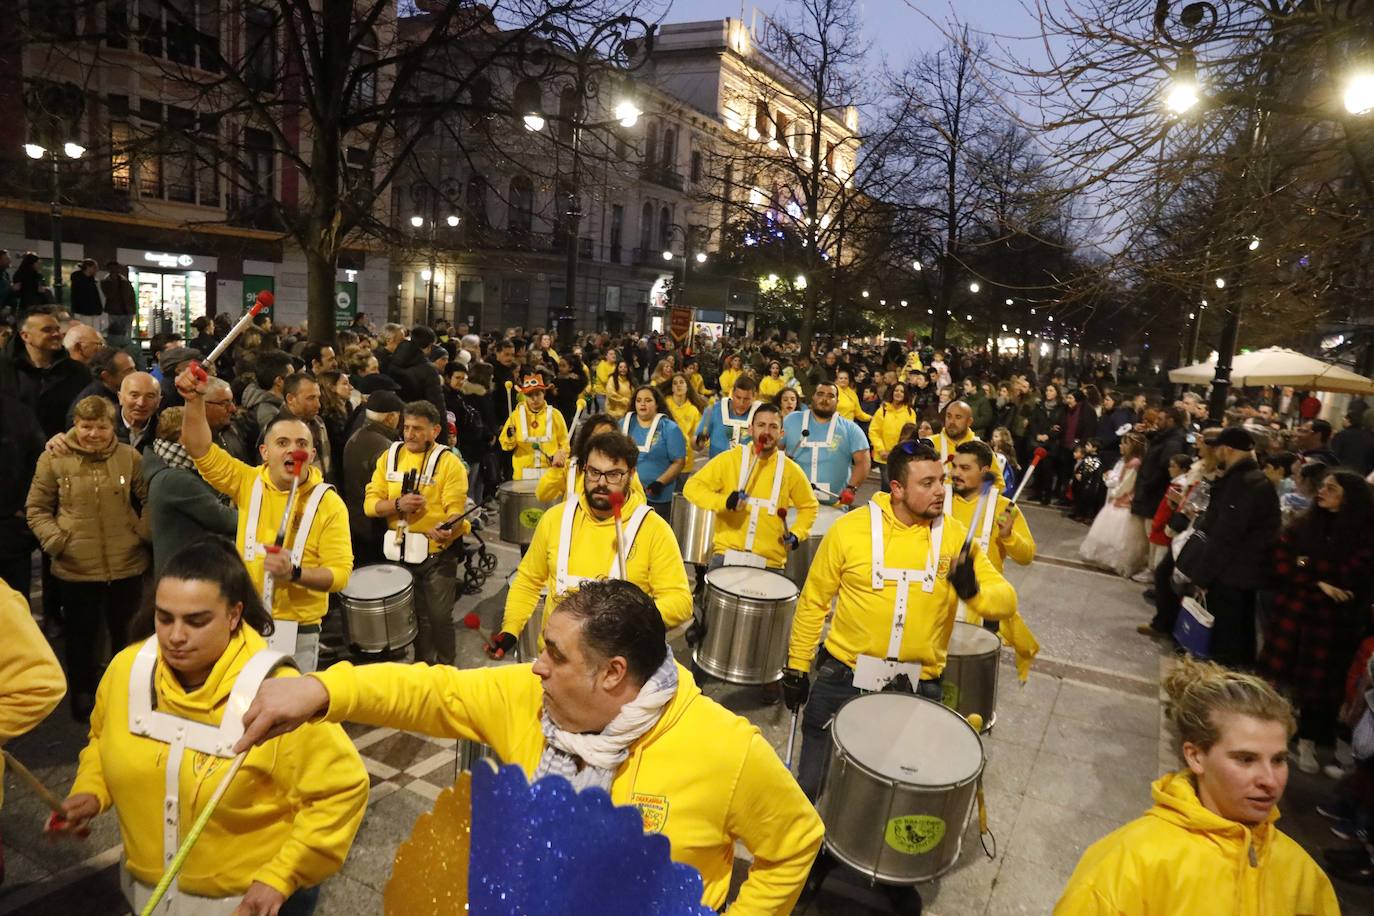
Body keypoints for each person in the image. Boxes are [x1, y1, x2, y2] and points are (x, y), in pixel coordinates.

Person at [234, 579, 825, 913]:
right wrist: (319, 689)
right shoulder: (526, 698)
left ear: (613, 674)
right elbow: (429, 691)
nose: (535, 666)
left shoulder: (725, 748)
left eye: (555, 654)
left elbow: (796, 842)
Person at [54, 539, 368, 916]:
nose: (175, 636)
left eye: (196, 621)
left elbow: (341, 787)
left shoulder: (277, 693)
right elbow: (104, 740)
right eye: (164, 617)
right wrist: (91, 791)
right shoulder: (125, 671)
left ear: (234, 615)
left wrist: (282, 876)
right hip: (147, 896)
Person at [785, 440, 1018, 800]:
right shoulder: (850, 530)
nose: (941, 490)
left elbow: (1006, 600)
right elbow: (814, 601)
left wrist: (974, 592)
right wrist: (797, 666)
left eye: (942, 480)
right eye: (927, 483)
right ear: (896, 489)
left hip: (918, 687)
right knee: (813, 786)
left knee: (884, 798)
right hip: (843, 678)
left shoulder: (954, 536)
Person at [1053, 657, 1339, 915]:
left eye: (1278, 760)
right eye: (1245, 759)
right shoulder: (1128, 863)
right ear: (1196, 755)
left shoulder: (1303, 875)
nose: (1269, 780)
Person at [176, 366, 353, 674]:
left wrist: (295, 573)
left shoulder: (329, 503)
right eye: (282, 443)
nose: (292, 450)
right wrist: (195, 401)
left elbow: (339, 575)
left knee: (289, 715)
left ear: (311, 455)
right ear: (264, 452)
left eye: (301, 445)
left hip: (299, 631)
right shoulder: (247, 482)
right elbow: (199, 449)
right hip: (243, 620)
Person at [491, 432, 691, 657]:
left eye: (614, 474)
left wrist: (632, 618)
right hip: (555, 661)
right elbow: (528, 579)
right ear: (584, 469)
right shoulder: (555, 519)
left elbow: (680, 601)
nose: (602, 483)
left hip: (615, 668)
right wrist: (511, 628)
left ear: (631, 474)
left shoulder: (653, 528)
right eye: (595, 472)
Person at [26, 395, 149, 719]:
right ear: (75, 425)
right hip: (75, 567)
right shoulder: (53, 459)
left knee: (127, 636)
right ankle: (83, 698)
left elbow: (149, 498)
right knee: (80, 639)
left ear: (112, 426)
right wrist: (58, 542)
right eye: (86, 426)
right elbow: (37, 508)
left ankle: (127, 698)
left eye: (101, 427)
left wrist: (140, 532)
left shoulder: (129, 457)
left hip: (126, 565)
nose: (93, 434)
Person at [1258, 469, 1374, 774]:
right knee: (1280, 682)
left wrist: (1307, 567)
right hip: (1293, 616)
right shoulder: (1303, 524)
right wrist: (1318, 582)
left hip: (1331, 625)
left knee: (1320, 687)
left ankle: (1310, 740)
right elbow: (1281, 562)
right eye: (1323, 487)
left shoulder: (1362, 535)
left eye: (1332, 489)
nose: (1322, 492)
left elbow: (1353, 573)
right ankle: (1275, 738)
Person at [364, 400, 469, 666]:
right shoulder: (390, 456)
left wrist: (448, 527)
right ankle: (423, 668)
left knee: (438, 616)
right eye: (406, 427)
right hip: (398, 553)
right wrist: (397, 504)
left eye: (418, 429)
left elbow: (456, 509)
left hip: (436, 556)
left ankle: (446, 669)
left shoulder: (449, 463)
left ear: (435, 431)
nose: (409, 434)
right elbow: (369, 504)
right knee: (416, 616)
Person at [684, 403, 818, 576]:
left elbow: (809, 507)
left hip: (771, 563)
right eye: (761, 425)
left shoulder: (791, 470)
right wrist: (724, 501)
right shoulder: (729, 459)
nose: (766, 432)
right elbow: (692, 487)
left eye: (773, 427)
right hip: (726, 557)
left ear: (781, 433)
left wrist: (797, 533)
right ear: (750, 429)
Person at [946, 440, 1040, 671]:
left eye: (965, 468)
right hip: (941, 602)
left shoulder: (1004, 507)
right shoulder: (939, 500)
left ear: (984, 471)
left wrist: (1009, 537)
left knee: (973, 679)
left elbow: (1026, 556)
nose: (956, 473)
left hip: (982, 607)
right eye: (955, 466)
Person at [143, 407, 238, 575]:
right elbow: (223, 519)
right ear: (183, 435)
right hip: (185, 576)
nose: (208, 437)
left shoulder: (172, 467)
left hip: (188, 571)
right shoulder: (175, 479)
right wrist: (260, 518)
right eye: (201, 430)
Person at [0, 308, 92, 438]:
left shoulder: (77, 371)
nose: (56, 334)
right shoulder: (5, 370)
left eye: (57, 329)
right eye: (47, 330)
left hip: (63, 448)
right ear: (25, 336)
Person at [782, 381, 870, 507]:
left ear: (837, 401)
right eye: (820, 394)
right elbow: (774, 452)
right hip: (792, 503)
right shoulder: (791, 420)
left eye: (830, 396)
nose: (825, 399)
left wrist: (851, 488)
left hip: (835, 505)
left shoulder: (850, 428)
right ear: (813, 397)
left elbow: (863, 462)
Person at [342, 390, 403, 566]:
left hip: (356, 521)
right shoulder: (385, 447)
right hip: (375, 526)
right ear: (390, 417)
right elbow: (392, 491)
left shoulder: (357, 436)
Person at [1079, 432, 1149, 578]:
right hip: (1121, 499)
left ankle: (1117, 562)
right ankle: (1109, 559)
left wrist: (1115, 493)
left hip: (1125, 501)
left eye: (1124, 443)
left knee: (1121, 536)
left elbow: (1126, 484)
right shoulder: (1128, 461)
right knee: (1111, 534)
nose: (1121, 446)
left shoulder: (1135, 463)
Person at [620, 385, 686, 518]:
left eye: (648, 400)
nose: (642, 404)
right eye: (638, 400)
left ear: (657, 404)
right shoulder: (623, 424)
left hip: (657, 499)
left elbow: (679, 461)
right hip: (627, 496)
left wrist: (659, 483)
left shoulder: (669, 428)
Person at [499, 370, 570, 482]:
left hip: (550, 474)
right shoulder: (515, 415)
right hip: (522, 475)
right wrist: (509, 436)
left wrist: (560, 456)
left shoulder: (555, 415)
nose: (534, 399)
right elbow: (506, 446)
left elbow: (565, 443)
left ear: (544, 394)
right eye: (529, 395)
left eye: (537, 394)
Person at [930, 400, 1013, 491]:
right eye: (949, 416)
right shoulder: (929, 444)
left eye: (958, 417)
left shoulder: (982, 449)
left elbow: (998, 485)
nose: (952, 422)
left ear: (969, 422)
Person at [695, 375, 758, 458]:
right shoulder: (713, 410)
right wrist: (698, 442)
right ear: (732, 394)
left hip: (747, 467)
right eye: (738, 397)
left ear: (754, 397)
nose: (741, 403)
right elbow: (696, 445)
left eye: (746, 399)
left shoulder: (761, 414)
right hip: (717, 466)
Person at [869, 381, 916, 490]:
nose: (898, 393)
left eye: (902, 391)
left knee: (899, 485)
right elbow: (874, 431)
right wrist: (881, 450)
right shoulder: (882, 411)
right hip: (883, 456)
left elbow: (910, 434)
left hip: (901, 456)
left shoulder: (910, 412)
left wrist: (899, 451)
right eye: (896, 390)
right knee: (887, 484)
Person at [663, 372, 705, 472]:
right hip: (665, 459)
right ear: (672, 388)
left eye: (682, 382)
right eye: (675, 383)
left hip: (685, 460)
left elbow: (698, 435)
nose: (678, 385)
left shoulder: (693, 410)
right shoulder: (664, 405)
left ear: (687, 386)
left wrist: (702, 442)